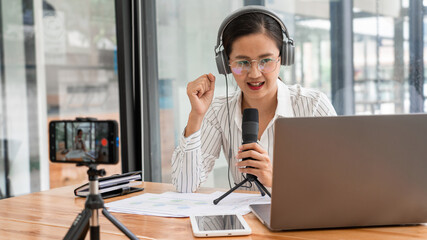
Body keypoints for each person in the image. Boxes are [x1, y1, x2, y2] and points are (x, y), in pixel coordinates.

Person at [171, 6, 337, 193]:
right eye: (242, 63)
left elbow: (338, 183)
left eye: (265, 61)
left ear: (283, 58)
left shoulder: (313, 106)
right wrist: (196, 115)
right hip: (241, 220)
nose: (254, 73)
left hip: (300, 220)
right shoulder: (219, 110)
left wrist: (274, 179)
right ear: (226, 64)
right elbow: (185, 186)